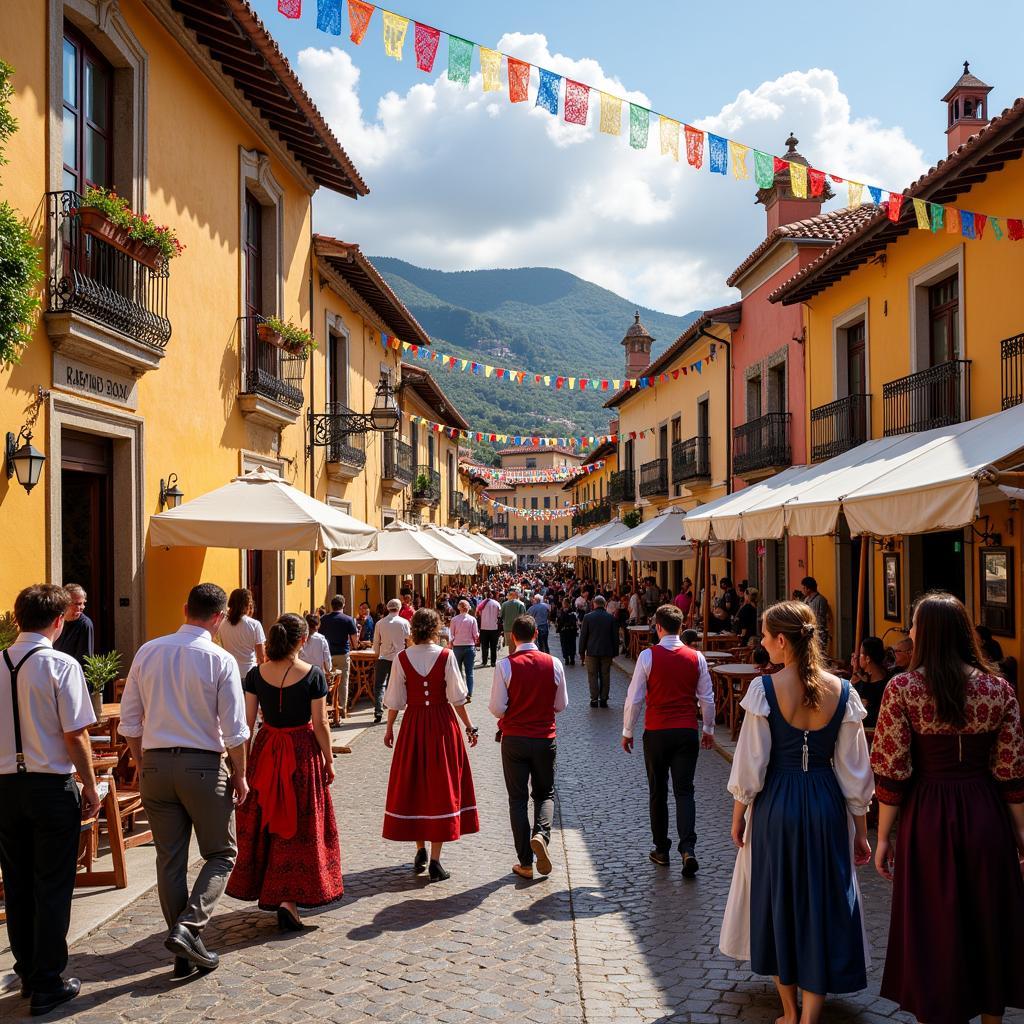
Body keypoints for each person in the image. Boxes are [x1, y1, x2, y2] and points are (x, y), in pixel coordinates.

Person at [871, 592, 1024, 1024]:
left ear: (929, 633)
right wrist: (1020, 833)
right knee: (987, 920)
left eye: (915, 625)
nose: (910, 633)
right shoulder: (998, 689)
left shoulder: (902, 688)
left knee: (934, 924)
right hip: (986, 813)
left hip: (929, 817)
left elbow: (892, 771)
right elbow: (1011, 770)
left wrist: (883, 837)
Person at [720, 600, 873, 1024]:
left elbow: (750, 765)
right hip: (825, 801)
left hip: (777, 804)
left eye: (766, 636)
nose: (762, 642)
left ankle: (790, 1012)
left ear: (782, 641)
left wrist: (739, 816)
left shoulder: (764, 691)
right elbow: (854, 771)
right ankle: (811, 1015)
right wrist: (861, 830)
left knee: (778, 899)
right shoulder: (843, 691)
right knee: (823, 902)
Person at [120, 584, 250, 978]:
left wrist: (143, 761)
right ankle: (188, 928)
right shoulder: (219, 659)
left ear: (184, 608)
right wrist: (241, 775)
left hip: (157, 765)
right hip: (203, 766)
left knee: (169, 859)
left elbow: (129, 719)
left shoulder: (148, 651)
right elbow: (235, 730)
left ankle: (183, 951)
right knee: (222, 853)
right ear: (221, 617)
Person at [0, 584, 100, 1016]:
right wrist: (92, 785)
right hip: (49, 785)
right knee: (53, 884)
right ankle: (47, 981)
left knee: (17, 883)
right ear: (59, 622)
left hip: (4, 787)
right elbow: (74, 733)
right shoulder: (61, 664)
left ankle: (27, 971)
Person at [226, 614, 342, 930]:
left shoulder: (255, 674)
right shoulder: (313, 675)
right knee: (301, 823)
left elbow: (246, 724)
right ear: (302, 641)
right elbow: (320, 723)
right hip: (301, 752)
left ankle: (276, 894)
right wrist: (329, 760)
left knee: (268, 822)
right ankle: (289, 899)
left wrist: (242, 766)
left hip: (266, 749)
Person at [382, 608, 479, 881]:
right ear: (436, 628)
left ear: (413, 629)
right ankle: (435, 859)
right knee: (440, 787)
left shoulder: (402, 658)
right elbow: (457, 698)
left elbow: (395, 700)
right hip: (441, 725)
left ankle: (420, 849)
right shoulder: (446, 656)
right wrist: (469, 727)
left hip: (413, 725)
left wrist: (389, 728)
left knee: (415, 784)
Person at [621, 604, 716, 876]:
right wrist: (708, 728)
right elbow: (706, 698)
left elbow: (635, 698)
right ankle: (688, 849)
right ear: (681, 626)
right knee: (685, 791)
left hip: (657, 732)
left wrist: (628, 731)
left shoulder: (647, 657)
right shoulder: (696, 658)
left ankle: (661, 849)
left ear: (658, 627)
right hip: (686, 731)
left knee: (658, 792)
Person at [490, 615, 568, 880]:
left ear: (513, 637)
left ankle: (525, 862)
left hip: (514, 739)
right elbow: (561, 705)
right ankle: (541, 835)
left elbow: (496, 708)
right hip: (545, 738)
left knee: (517, 799)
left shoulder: (505, 666)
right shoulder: (554, 663)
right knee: (545, 793)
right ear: (536, 634)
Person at [371, 599, 411, 725]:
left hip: (383, 657)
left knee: (379, 685)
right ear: (399, 609)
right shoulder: (404, 622)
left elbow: (376, 641)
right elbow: (408, 640)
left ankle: (378, 711)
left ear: (388, 608)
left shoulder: (380, 623)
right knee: (400, 684)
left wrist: (377, 654)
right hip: (399, 657)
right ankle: (399, 708)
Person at [319, 596, 358, 719]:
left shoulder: (323, 619)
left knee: (327, 682)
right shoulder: (348, 619)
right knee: (343, 682)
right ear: (344, 605)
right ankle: (342, 709)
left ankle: (326, 706)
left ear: (331, 605)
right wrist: (355, 646)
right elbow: (354, 640)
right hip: (342, 653)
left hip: (327, 654)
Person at [579, 594, 618, 709]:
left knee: (592, 675)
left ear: (594, 604)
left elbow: (583, 636)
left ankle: (594, 699)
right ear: (605, 605)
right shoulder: (610, 618)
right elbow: (614, 637)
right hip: (607, 651)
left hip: (592, 651)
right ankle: (604, 699)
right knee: (605, 675)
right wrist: (615, 652)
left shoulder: (587, 617)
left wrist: (581, 652)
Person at [217, 588, 266, 678]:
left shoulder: (222, 623)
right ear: (247, 605)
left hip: (230, 672)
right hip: (249, 673)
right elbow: (261, 657)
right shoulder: (254, 624)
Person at [52, 583, 94, 668]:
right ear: (65, 603)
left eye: (82, 603)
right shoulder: (58, 619)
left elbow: (85, 659)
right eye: (76, 604)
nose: (80, 608)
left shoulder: (85, 624)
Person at [851, 635, 889, 729]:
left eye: (860, 654)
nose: (857, 657)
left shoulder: (885, 685)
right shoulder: (860, 679)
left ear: (867, 659)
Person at [450, 600, 480, 701]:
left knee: (458, 671)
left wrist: (451, 644)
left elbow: (452, 635)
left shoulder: (454, 620)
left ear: (459, 608)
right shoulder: (472, 619)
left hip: (457, 647)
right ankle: (469, 693)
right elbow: (475, 634)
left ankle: (461, 692)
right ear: (468, 608)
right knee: (469, 672)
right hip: (469, 646)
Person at [801, 576, 832, 654]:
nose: (803, 590)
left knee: (818, 655)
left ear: (809, 589)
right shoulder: (806, 600)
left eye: (804, 588)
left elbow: (819, 620)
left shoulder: (820, 600)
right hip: (808, 633)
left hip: (818, 634)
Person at [299, 613, 332, 678]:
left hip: (301, 674)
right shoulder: (322, 639)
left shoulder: (299, 638)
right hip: (317, 674)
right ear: (318, 625)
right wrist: (328, 669)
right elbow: (327, 659)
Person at [476, 590, 502, 668]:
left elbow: (478, 613)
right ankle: (493, 662)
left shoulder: (482, 603)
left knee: (484, 646)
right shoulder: (496, 603)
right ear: (492, 596)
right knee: (493, 646)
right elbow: (499, 614)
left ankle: (484, 661)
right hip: (494, 627)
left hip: (484, 627)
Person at [500, 589, 527, 654]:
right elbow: (524, 617)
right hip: (518, 628)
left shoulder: (504, 604)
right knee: (519, 646)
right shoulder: (521, 604)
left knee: (511, 648)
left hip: (507, 629)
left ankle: (512, 661)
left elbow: (501, 616)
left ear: (510, 596)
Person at [556, 598, 579, 667]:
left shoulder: (572, 611)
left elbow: (574, 621)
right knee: (564, 645)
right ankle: (566, 658)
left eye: (565, 603)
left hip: (571, 631)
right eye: (563, 603)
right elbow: (559, 621)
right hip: (563, 631)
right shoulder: (561, 611)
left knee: (572, 645)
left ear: (568, 604)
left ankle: (572, 658)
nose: (564, 604)